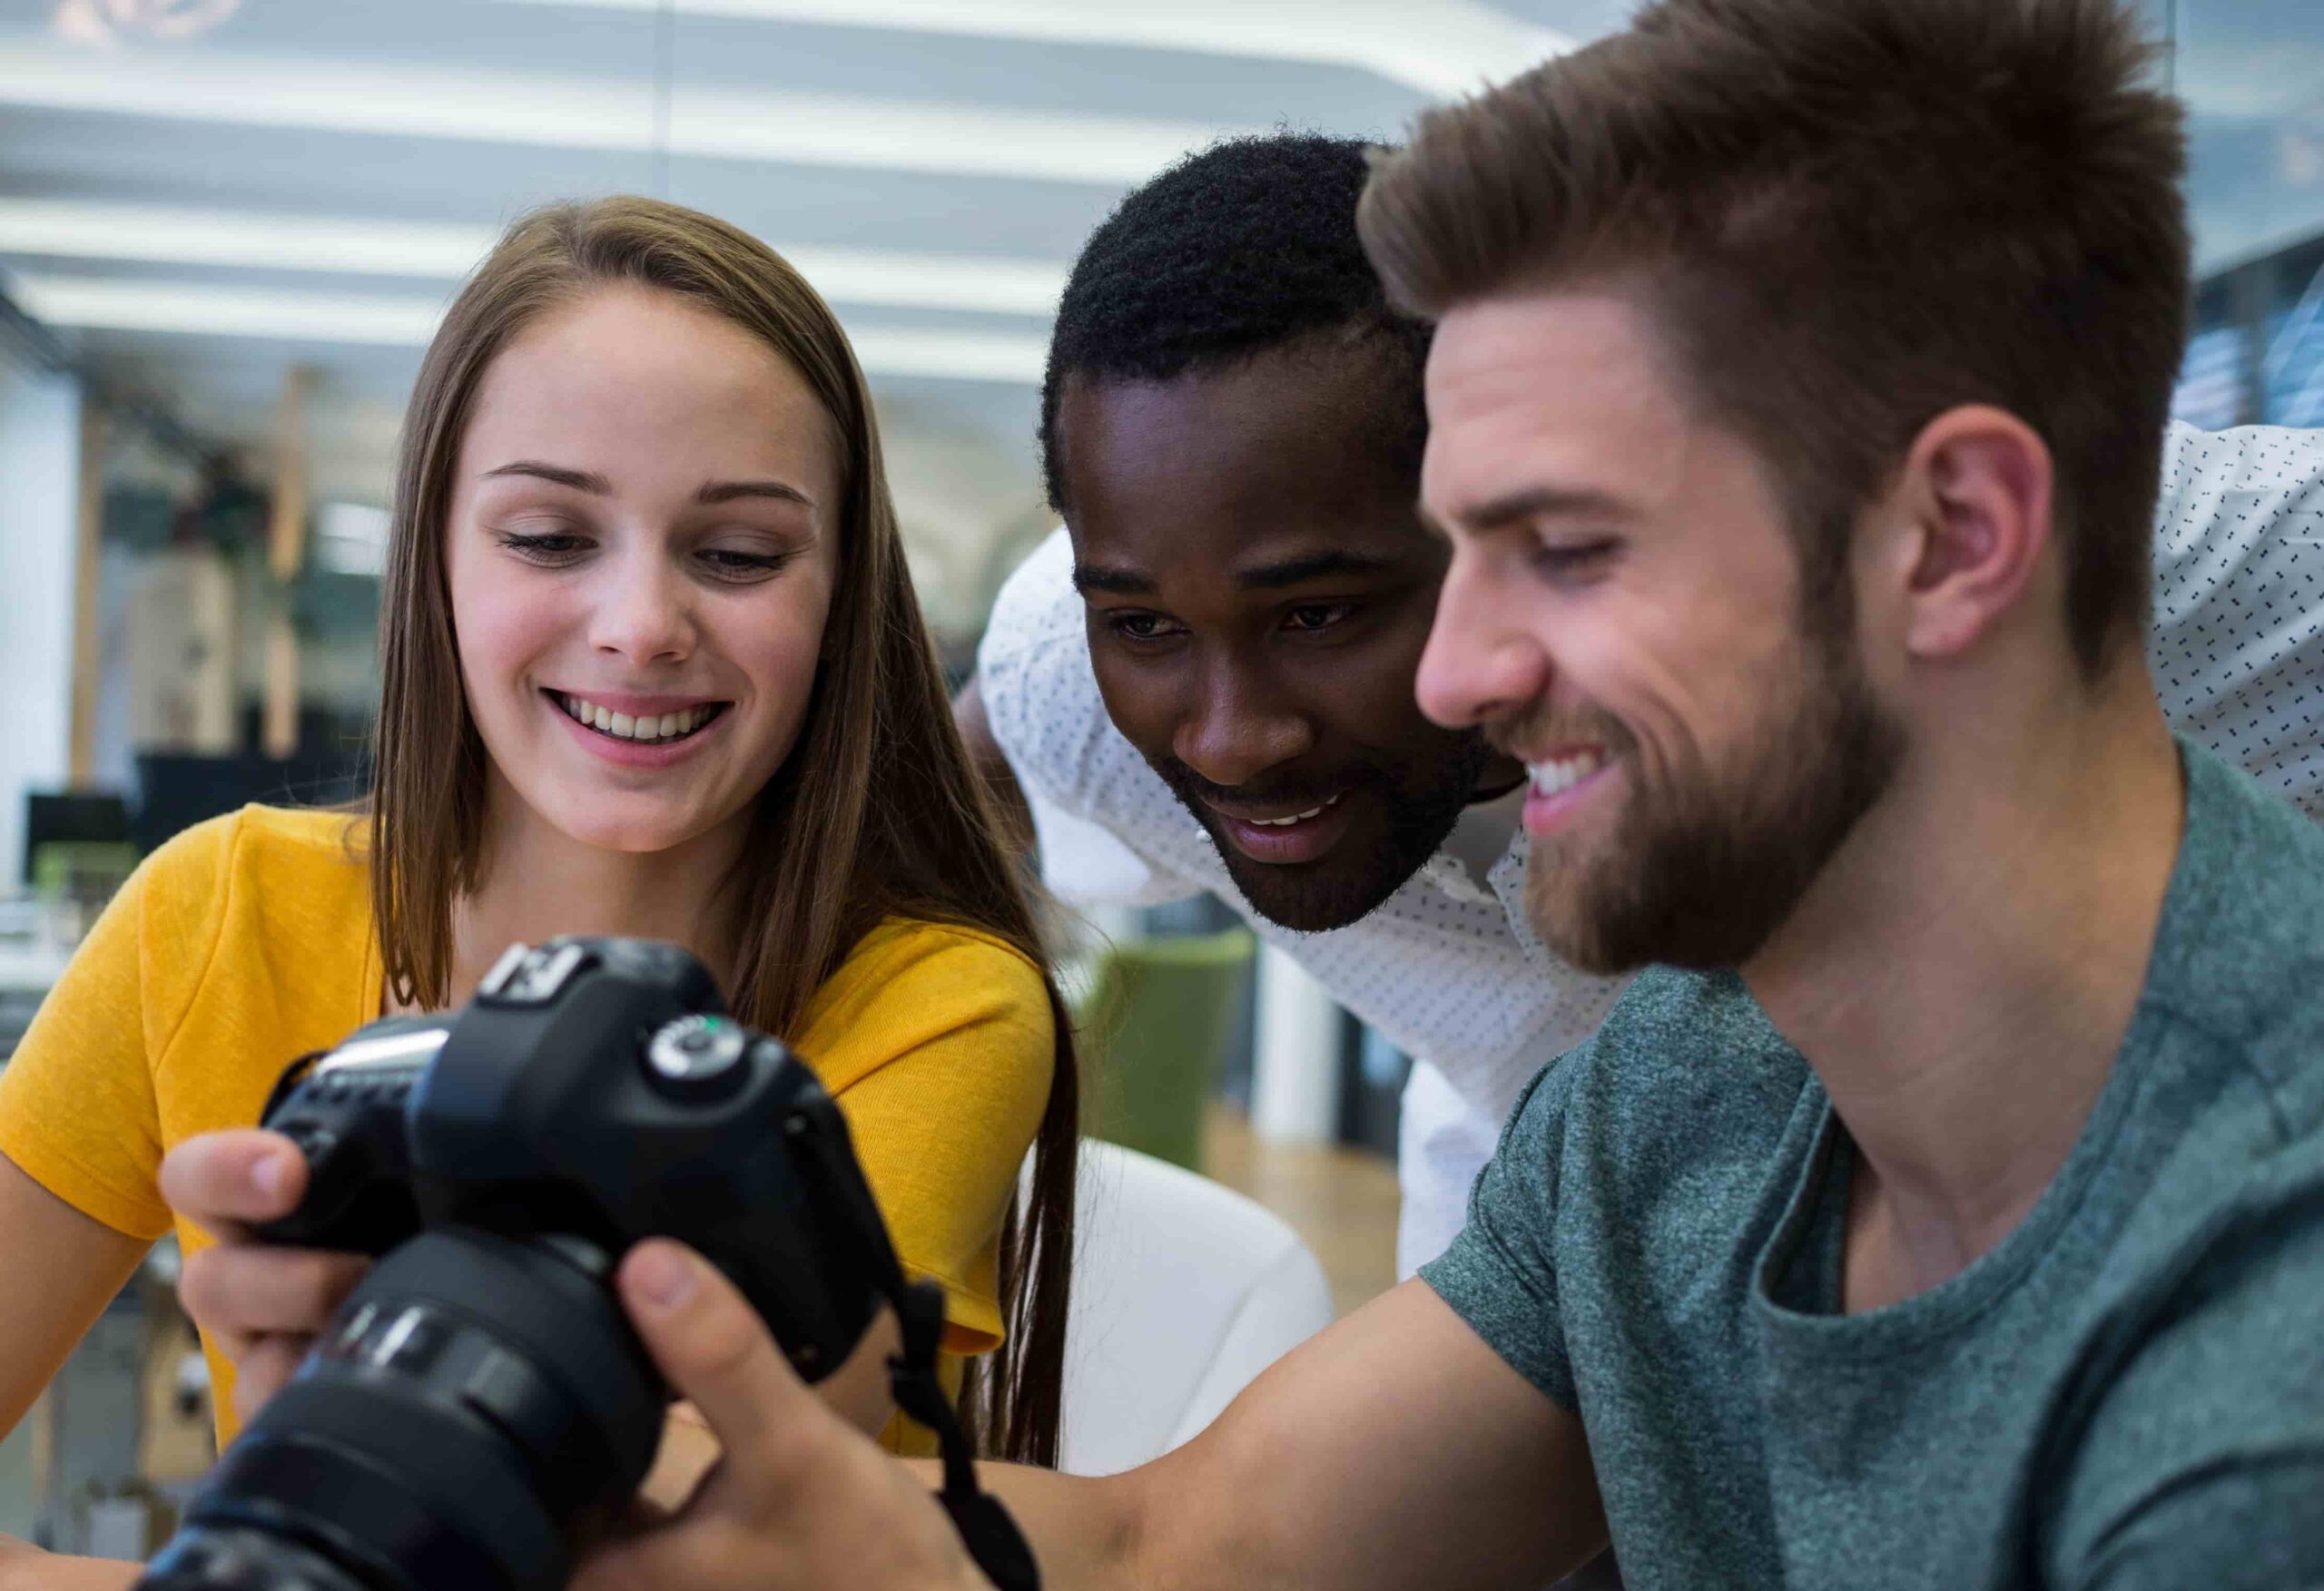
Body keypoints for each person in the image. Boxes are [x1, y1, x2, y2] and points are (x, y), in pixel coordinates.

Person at [383, 3, 2324, 1586]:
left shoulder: (2244, 1385)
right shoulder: (1686, 1096)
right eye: (1450, 550)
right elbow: (1189, 1538)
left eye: (1564, 547)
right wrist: (606, 1522)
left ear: (1955, 535)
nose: (1458, 677)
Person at [960, 132, 2324, 1281]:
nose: (1229, 734)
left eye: (1323, 614)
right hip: (1541, 1274)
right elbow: (873, 817)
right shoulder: (1072, 669)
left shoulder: (1959, 579)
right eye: (1143, 624)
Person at [0, 197, 1077, 1585]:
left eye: (739, 552)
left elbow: (655, 1539)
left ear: (841, 598)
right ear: (434, 557)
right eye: (550, 537)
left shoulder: (939, 1005)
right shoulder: (211, 916)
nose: (639, 624)